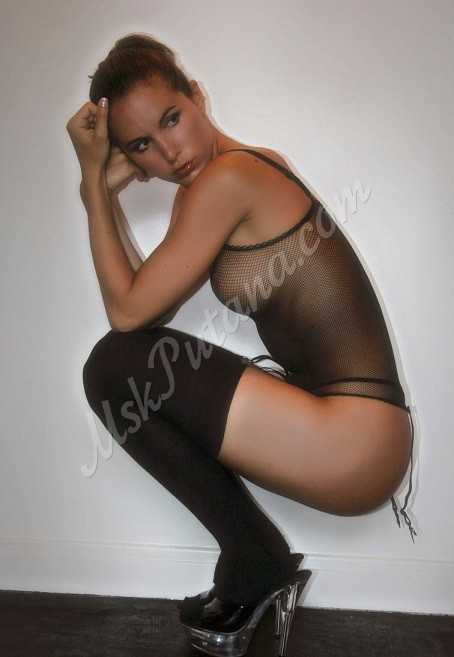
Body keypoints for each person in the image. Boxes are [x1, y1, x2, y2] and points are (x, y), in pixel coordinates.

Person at [66, 32, 417, 657]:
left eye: (171, 119)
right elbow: (144, 308)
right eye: (142, 144)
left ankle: (256, 562)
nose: (169, 153)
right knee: (126, 365)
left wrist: (93, 183)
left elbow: (127, 312)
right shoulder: (239, 170)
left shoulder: (227, 180)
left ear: (198, 97)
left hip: (354, 436)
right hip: (356, 432)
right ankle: (254, 562)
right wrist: (104, 191)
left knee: (113, 368)